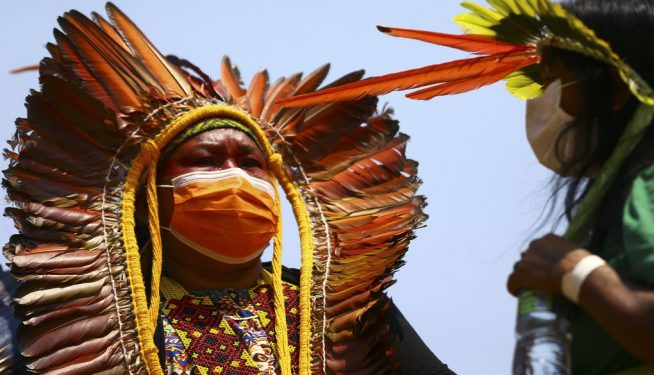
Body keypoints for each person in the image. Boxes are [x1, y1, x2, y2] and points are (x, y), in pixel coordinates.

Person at [279, 0, 654, 374]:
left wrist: (576, 272)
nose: (540, 100)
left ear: (615, 91)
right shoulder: (633, 189)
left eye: (553, 80)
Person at [0, 3, 454, 374]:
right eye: (206, 161)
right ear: (144, 198)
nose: (235, 176)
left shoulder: (353, 318)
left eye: (253, 164)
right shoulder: (70, 315)